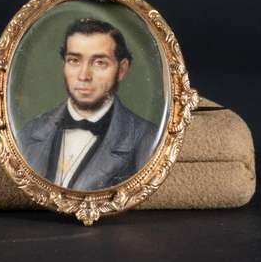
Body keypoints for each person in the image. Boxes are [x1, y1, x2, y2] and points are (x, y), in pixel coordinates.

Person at [18, 18, 158, 191]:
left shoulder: (148, 139)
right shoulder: (29, 132)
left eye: (100, 63)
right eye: (74, 60)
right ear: (64, 65)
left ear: (121, 70)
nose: (84, 76)